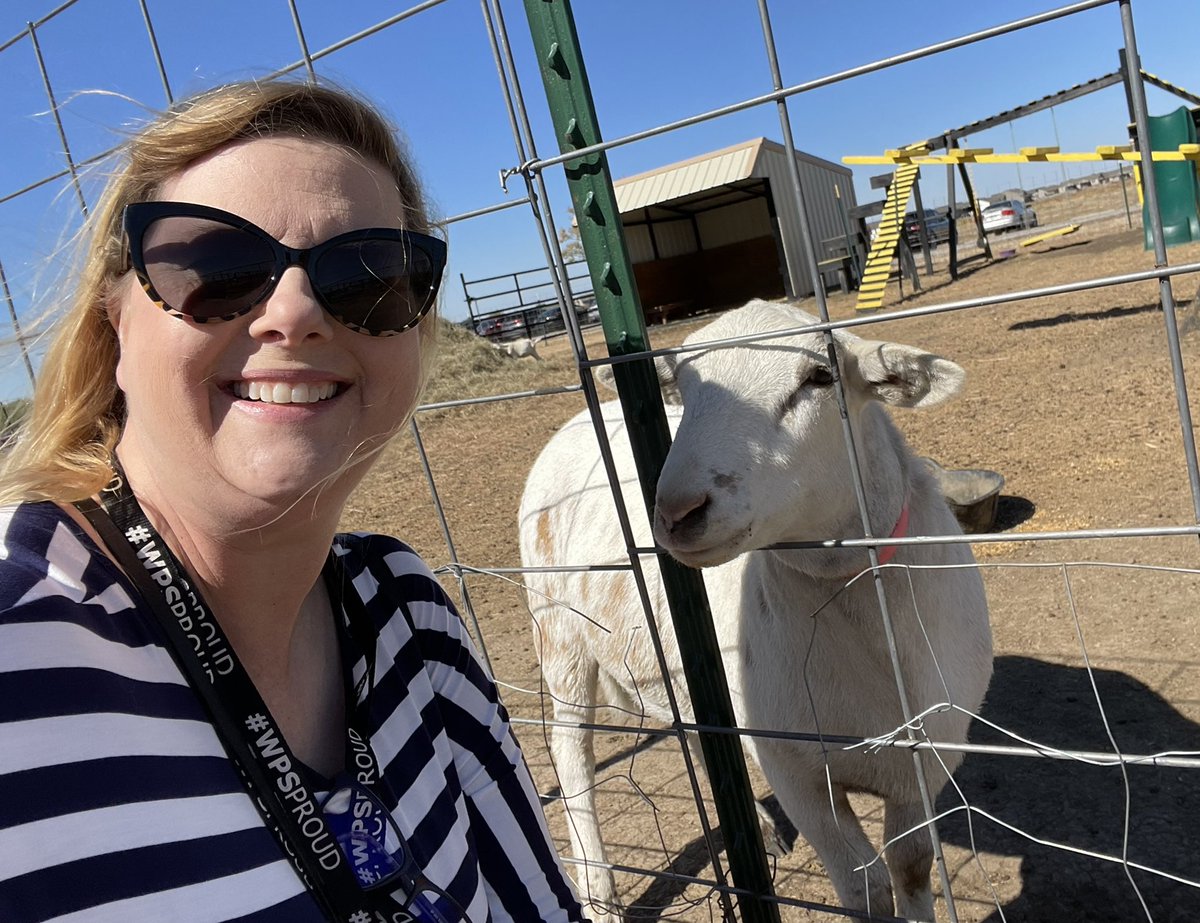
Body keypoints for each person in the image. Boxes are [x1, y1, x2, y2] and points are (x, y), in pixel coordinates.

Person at [0, 79, 588, 923]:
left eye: (367, 273)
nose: (297, 311)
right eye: (216, 265)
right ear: (113, 318)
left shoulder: (406, 613)